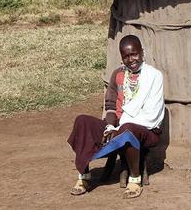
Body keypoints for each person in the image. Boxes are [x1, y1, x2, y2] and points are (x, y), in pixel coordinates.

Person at [67, 35, 164, 199]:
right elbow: (111, 107)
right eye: (126, 56)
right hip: (116, 128)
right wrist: (110, 127)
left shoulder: (154, 76)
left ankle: (134, 180)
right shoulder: (118, 75)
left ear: (142, 52)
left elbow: (152, 115)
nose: (131, 59)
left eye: (134, 54)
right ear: (121, 58)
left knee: (128, 129)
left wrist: (119, 129)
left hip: (146, 130)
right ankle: (84, 177)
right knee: (82, 121)